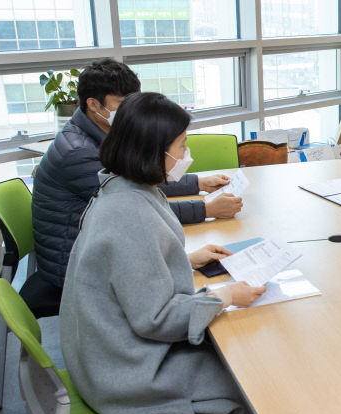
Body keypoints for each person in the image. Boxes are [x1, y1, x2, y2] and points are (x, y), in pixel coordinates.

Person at [60, 92, 265, 414]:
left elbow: (127, 271)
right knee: (253, 384)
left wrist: (185, 260)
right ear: (153, 151)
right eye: (182, 145)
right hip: (125, 371)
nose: (187, 154)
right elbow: (156, 319)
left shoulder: (121, 186)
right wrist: (226, 295)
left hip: (102, 350)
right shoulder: (130, 213)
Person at [27, 58, 242, 317]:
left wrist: (197, 182)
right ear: (93, 105)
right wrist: (206, 208)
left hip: (101, 261)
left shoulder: (106, 139)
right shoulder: (79, 153)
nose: (131, 112)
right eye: (121, 104)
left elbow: (143, 178)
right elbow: (156, 314)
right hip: (77, 269)